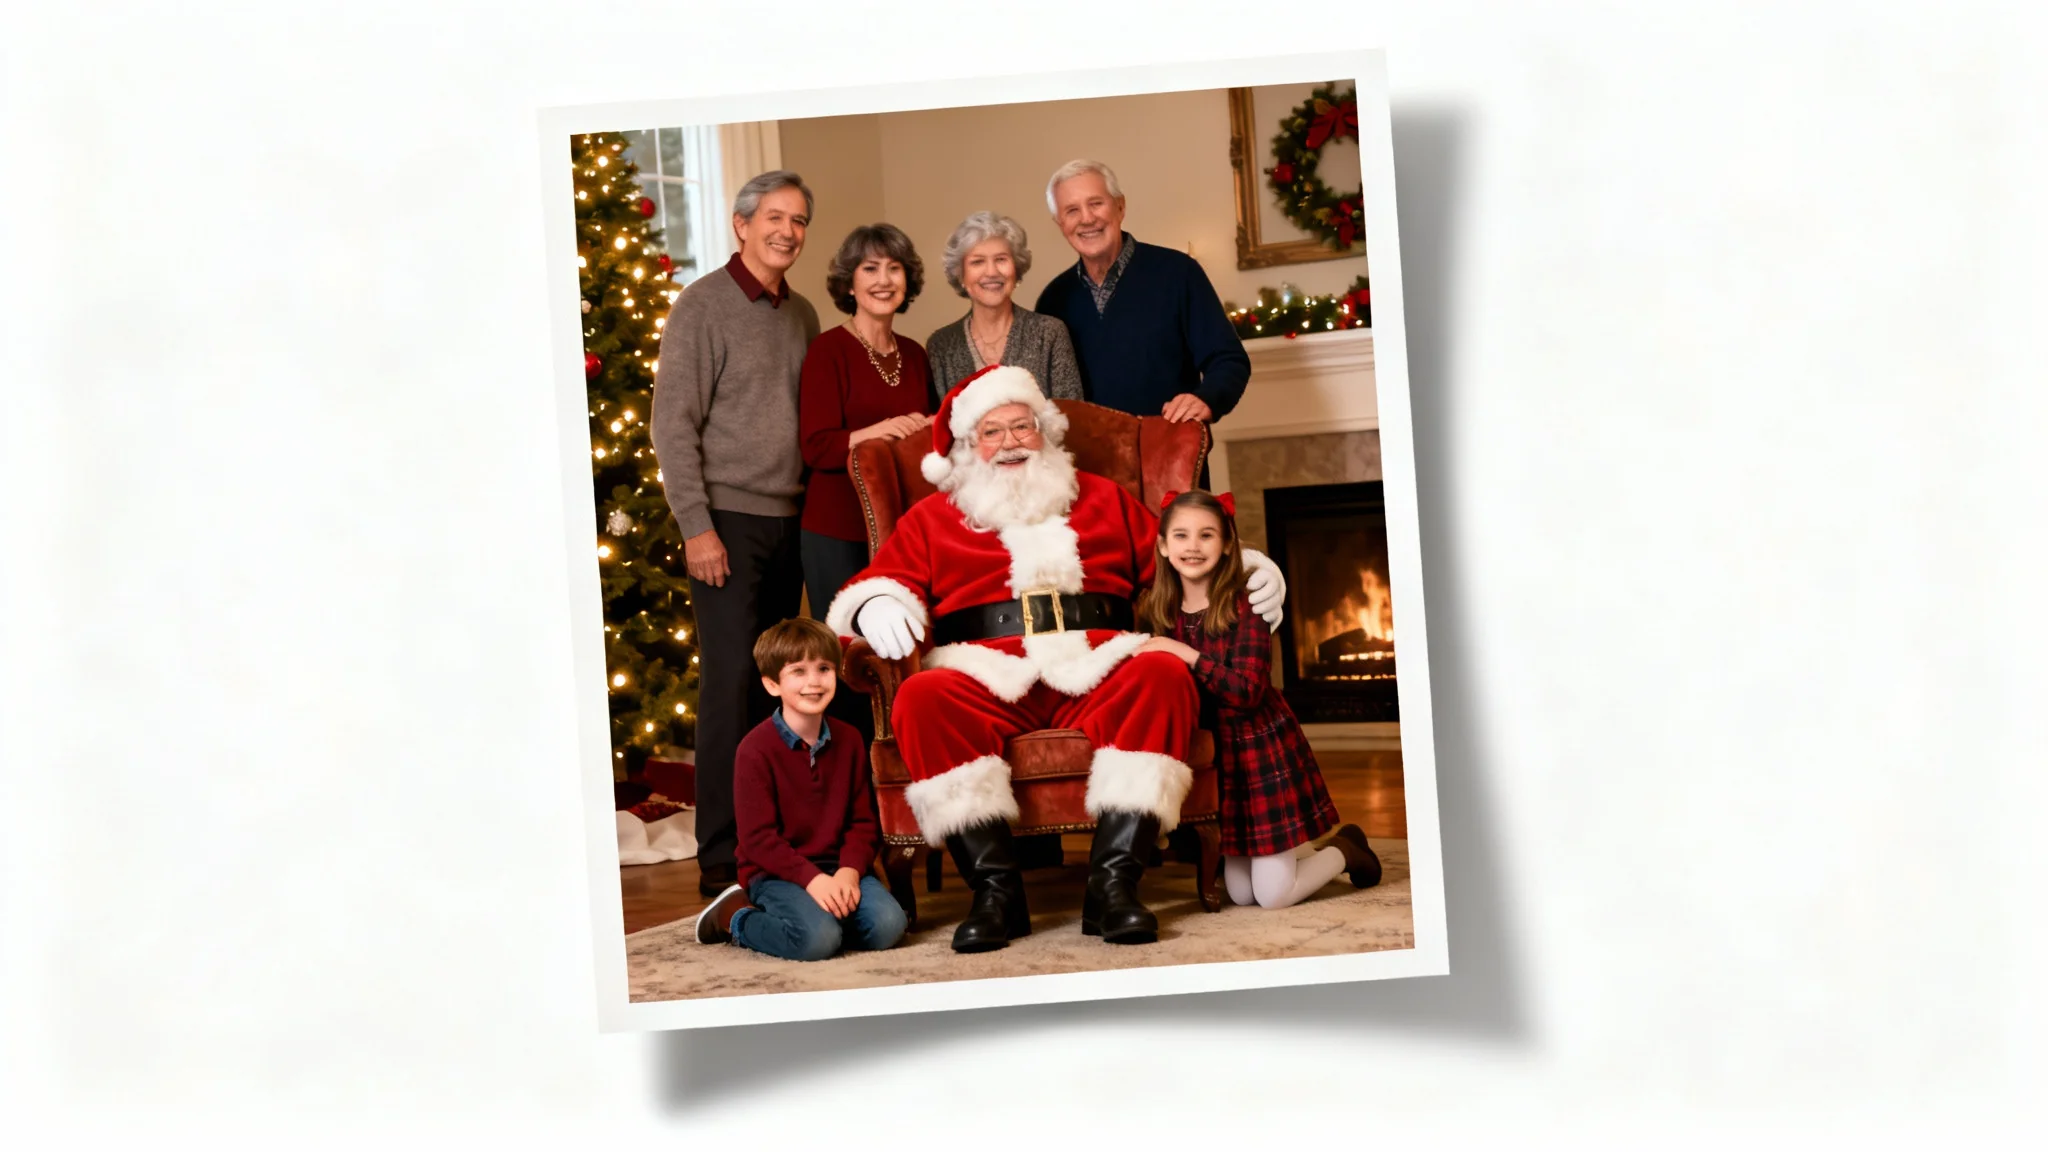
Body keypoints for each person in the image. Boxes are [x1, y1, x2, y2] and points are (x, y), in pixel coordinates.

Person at [822, 364, 1291, 952]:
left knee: (1163, 672)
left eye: (1022, 426)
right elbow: (874, 581)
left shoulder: (1104, 499)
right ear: (969, 447)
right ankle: (996, 894)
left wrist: (1247, 569)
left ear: (1045, 432)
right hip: (985, 673)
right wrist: (877, 602)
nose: (1010, 443)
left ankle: (1113, 887)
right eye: (992, 432)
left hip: (1100, 663)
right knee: (920, 695)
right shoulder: (932, 518)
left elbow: (1182, 557)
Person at [652, 170, 820, 897]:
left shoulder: (803, 313)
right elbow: (672, 424)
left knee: (783, 692)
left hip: (791, 522)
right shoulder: (703, 306)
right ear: (741, 224)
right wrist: (697, 527)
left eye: (800, 220)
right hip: (726, 523)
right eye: (775, 217)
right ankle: (720, 858)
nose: (787, 230)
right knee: (730, 690)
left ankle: (771, 841)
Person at [1134, 489, 1382, 909]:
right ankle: (1299, 852)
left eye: (1206, 535)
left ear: (1228, 543)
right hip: (1217, 759)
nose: (1192, 546)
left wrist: (1186, 654)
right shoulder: (1157, 609)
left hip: (1259, 747)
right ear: (1163, 545)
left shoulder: (1247, 601)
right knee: (1241, 894)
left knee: (1272, 896)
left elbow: (1248, 691)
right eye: (1180, 536)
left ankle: (1345, 848)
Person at [693, 618, 907, 960]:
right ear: (772, 684)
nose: (814, 682)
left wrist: (849, 872)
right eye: (798, 671)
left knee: (888, 927)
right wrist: (812, 881)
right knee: (816, 941)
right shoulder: (754, 749)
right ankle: (735, 916)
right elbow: (758, 840)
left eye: (823, 668)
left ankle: (828, 920)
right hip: (776, 871)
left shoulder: (850, 740)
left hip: (838, 866)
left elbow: (863, 822)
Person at [798, 223, 935, 745]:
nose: (883, 280)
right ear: (849, 284)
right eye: (870, 269)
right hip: (836, 529)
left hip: (900, 533)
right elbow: (815, 446)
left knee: (900, 655)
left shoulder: (915, 354)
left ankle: (901, 787)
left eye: (894, 269)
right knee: (849, 659)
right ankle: (859, 797)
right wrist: (873, 432)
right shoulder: (828, 351)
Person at [1033, 159, 1251, 426]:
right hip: (1088, 463)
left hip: (1168, 454)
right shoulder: (1053, 300)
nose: (1087, 218)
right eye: (1072, 210)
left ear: (1120, 206)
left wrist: (1206, 398)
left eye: (1096, 203)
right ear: (1060, 224)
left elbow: (1228, 359)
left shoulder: (1179, 273)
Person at [924, 210, 1084, 405]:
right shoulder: (941, 346)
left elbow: (1073, 418)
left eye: (1001, 259)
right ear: (961, 275)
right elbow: (940, 428)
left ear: (1016, 269)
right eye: (977, 262)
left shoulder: (1049, 333)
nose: (991, 272)